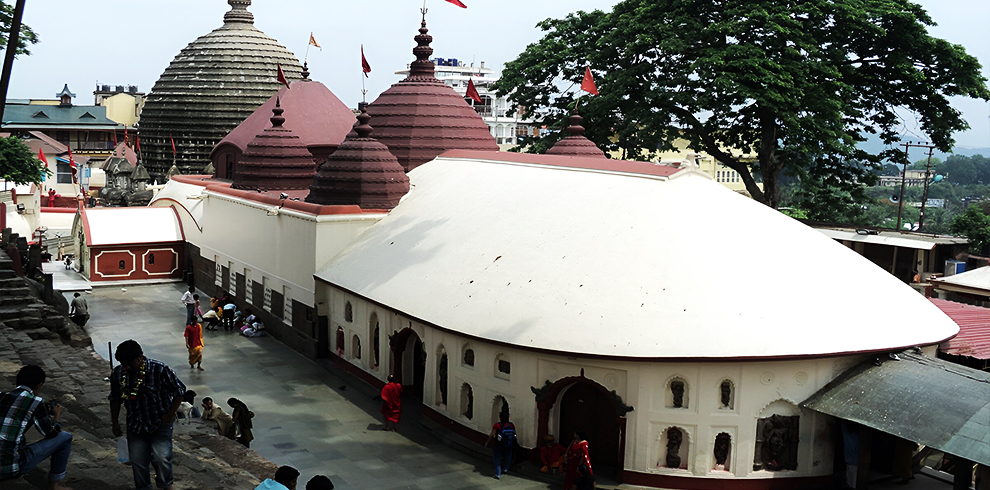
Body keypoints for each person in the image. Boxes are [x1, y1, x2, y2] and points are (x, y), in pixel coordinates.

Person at [109, 340, 186, 490]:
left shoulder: (160, 369)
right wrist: (115, 422)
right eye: (124, 364)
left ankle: (165, 484)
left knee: (161, 457)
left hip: (159, 421)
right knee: (138, 461)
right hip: (135, 423)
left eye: (130, 363)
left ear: (140, 357)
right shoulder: (119, 373)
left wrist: (169, 415)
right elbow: (115, 399)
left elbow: (179, 391)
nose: (127, 367)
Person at [0, 365, 73, 490]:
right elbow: (51, 433)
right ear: (39, 385)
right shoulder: (36, 402)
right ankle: (54, 485)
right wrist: (57, 415)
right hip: (9, 467)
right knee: (65, 437)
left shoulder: (2, 396)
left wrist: (41, 407)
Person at [484, 411, 516, 479]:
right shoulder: (511, 425)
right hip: (509, 443)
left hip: (498, 443)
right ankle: (505, 469)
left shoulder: (497, 425)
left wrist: (487, 442)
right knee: (508, 456)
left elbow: (492, 435)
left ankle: (498, 474)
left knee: (497, 458)